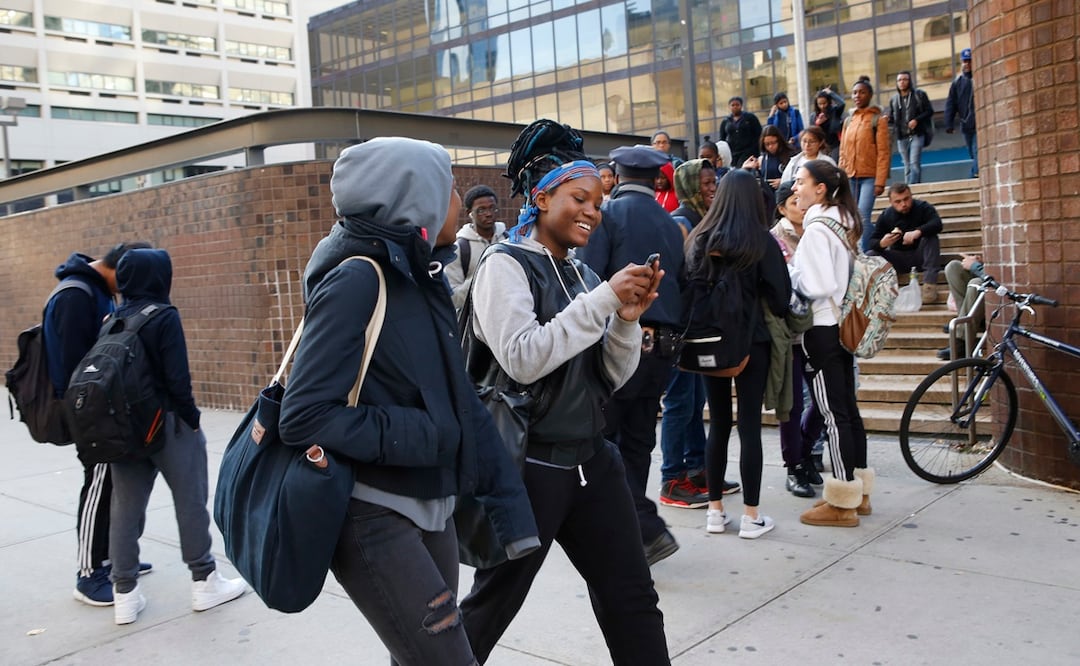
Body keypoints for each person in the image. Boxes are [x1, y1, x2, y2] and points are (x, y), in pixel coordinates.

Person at [278, 138, 539, 664]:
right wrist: (427, 432)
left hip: (432, 503)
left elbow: (458, 398)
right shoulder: (356, 278)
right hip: (373, 513)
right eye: (447, 188)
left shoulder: (422, 275)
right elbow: (303, 414)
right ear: (410, 198)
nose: (459, 199)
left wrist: (509, 508)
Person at [459, 119, 670, 665]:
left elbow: (609, 378)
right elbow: (523, 358)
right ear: (542, 196)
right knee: (490, 609)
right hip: (531, 468)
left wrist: (625, 320)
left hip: (593, 460)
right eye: (580, 198)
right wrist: (602, 303)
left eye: (598, 203)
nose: (592, 213)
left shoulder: (578, 272)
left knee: (632, 597)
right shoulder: (502, 266)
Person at [108, 247, 248, 625]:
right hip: (168, 424)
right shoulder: (163, 316)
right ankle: (204, 580)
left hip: (124, 429)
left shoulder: (113, 318)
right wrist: (192, 419)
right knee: (189, 501)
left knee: (124, 509)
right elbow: (177, 377)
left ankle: (124, 592)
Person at [580, 144, 686, 565]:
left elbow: (590, 281)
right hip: (664, 347)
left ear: (618, 175)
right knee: (639, 441)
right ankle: (631, 534)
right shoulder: (669, 221)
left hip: (622, 341)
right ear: (654, 179)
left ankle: (641, 526)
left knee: (602, 441)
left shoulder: (610, 215)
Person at [42, 242, 153, 606]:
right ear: (117, 269)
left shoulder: (94, 290)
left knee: (112, 486)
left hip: (99, 409)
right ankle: (89, 574)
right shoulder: (77, 295)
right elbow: (77, 368)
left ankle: (117, 560)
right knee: (98, 486)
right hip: (88, 412)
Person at [685, 169, 790, 539]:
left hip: (708, 346)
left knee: (718, 425)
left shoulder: (700, 237)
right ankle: (751, 515)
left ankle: (714, 511)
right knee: (749, 427)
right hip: (751, 343)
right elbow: (781, 298)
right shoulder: (760, 241)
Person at [790, 160, 873, 528]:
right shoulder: (844, 224)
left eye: (801, 181)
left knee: (832, 415)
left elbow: (818, 285)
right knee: (847, 411)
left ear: (820, 189)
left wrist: (793, 286)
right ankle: (860, 491)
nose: (796, 188)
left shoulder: (817, 232)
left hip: (821, 327)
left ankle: (841, 502)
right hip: (842, 328)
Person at [661, 158, 739, 507]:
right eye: (706, 184)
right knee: (680, 403)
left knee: (695, 404)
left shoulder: (704, 221)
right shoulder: (680, 223)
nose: (713, 189)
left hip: (699, 328)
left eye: (715, 183)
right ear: (691, 187)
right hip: (681, 330)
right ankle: (671, 479)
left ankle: (697, 469)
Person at [770, 182, 826, 497]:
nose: (801, 205)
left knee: (821, 399)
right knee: (790, 404)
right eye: (794, 201)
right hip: (789, 335)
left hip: (819, 329)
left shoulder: (816, 234)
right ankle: (793, 466)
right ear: (782, 208)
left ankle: (804, 452)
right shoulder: (776, 240)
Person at [838, 79, 891, 252]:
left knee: (862, 215)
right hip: (850, 176)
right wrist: (840, 176)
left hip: (869, 176)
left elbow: (883, 152)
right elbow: (842, 151)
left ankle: (862, 253)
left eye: (862, 92)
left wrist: (880, 181)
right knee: (851, 216)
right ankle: (866, 245)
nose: (857, 96)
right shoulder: (848, 121)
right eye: (854, 93)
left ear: (869, 94)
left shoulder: (878, 120)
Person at [867, 183, 943, 303]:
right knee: (871, 254)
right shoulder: (886, 215)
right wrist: (882, 243)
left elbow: (937, 224)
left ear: (911, 196)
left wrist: (918, 232)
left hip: (922, 255)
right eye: (898, 201)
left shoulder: (923, 207)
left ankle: (929, 286)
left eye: (906, 199)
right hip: (898, 258)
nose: (903, 204)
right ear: (891, 202)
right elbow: (872, 241)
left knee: (931, 237)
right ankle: (879, 291)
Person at [445, 184, 508, 309]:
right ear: (470, 213)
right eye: (481, 210)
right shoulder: (459, 248)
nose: (488, 214)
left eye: (492, 208)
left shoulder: (508, 240)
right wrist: (482, 277)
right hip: (475, 322)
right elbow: (453, 298)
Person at [938, 253, 988, 360]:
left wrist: (975, 266)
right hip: (985, 275)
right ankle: (964, 320)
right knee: (954, 267)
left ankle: (961, 342)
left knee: (976, 284)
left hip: (997, 296)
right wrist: (981, 261)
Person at [888, 71, 934, 184]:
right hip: (901, 136)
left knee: (914, 162)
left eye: (905, 79)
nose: (902, 82)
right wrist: (887, 120)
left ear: (910, 81)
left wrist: (916, 120)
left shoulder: (919, 95)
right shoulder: (894, 99)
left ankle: (914, 187)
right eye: (899, 80)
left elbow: (929, 111)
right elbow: (892, 118)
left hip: (917, 134)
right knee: (907, 165)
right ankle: (908, 188)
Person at [743, 124, 795, 220]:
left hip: (787, 198)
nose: (771, 147)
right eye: (767, 144)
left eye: (774, 143)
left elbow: (798, 176)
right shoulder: (763, 159)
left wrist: (783, 181)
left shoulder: (791, 155)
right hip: (769, 201)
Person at [945, 48, 977, 178]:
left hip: (979, 125)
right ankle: (977, 171)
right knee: (972, 152)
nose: (967, 64)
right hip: (966, 124)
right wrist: (949, 124)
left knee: (978, 150)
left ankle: (974, 175)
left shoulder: (978, 78)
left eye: (969, 61)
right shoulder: (957, 83)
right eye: (965, 61)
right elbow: (951, 103)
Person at [718, 96, 763, 168]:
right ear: (729, 107)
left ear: (741, 106)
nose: (735, 107)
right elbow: (722, 138)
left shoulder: (750, 118)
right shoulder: (726, 121)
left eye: (737, 105)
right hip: (732, 152)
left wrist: (756, 148)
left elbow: (758, 133)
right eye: (733, 105)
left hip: (748, 151)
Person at [812, 87, 846, 160]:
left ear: (829, 102)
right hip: (821, 146)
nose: (822, 106)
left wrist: (831, 93)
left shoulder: (835, 111)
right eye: (820, 104)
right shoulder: (813, 116)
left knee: (834, 164)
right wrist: (818, 123)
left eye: (824, 103)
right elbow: (811, 132)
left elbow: (842, 103)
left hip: (835, 144)